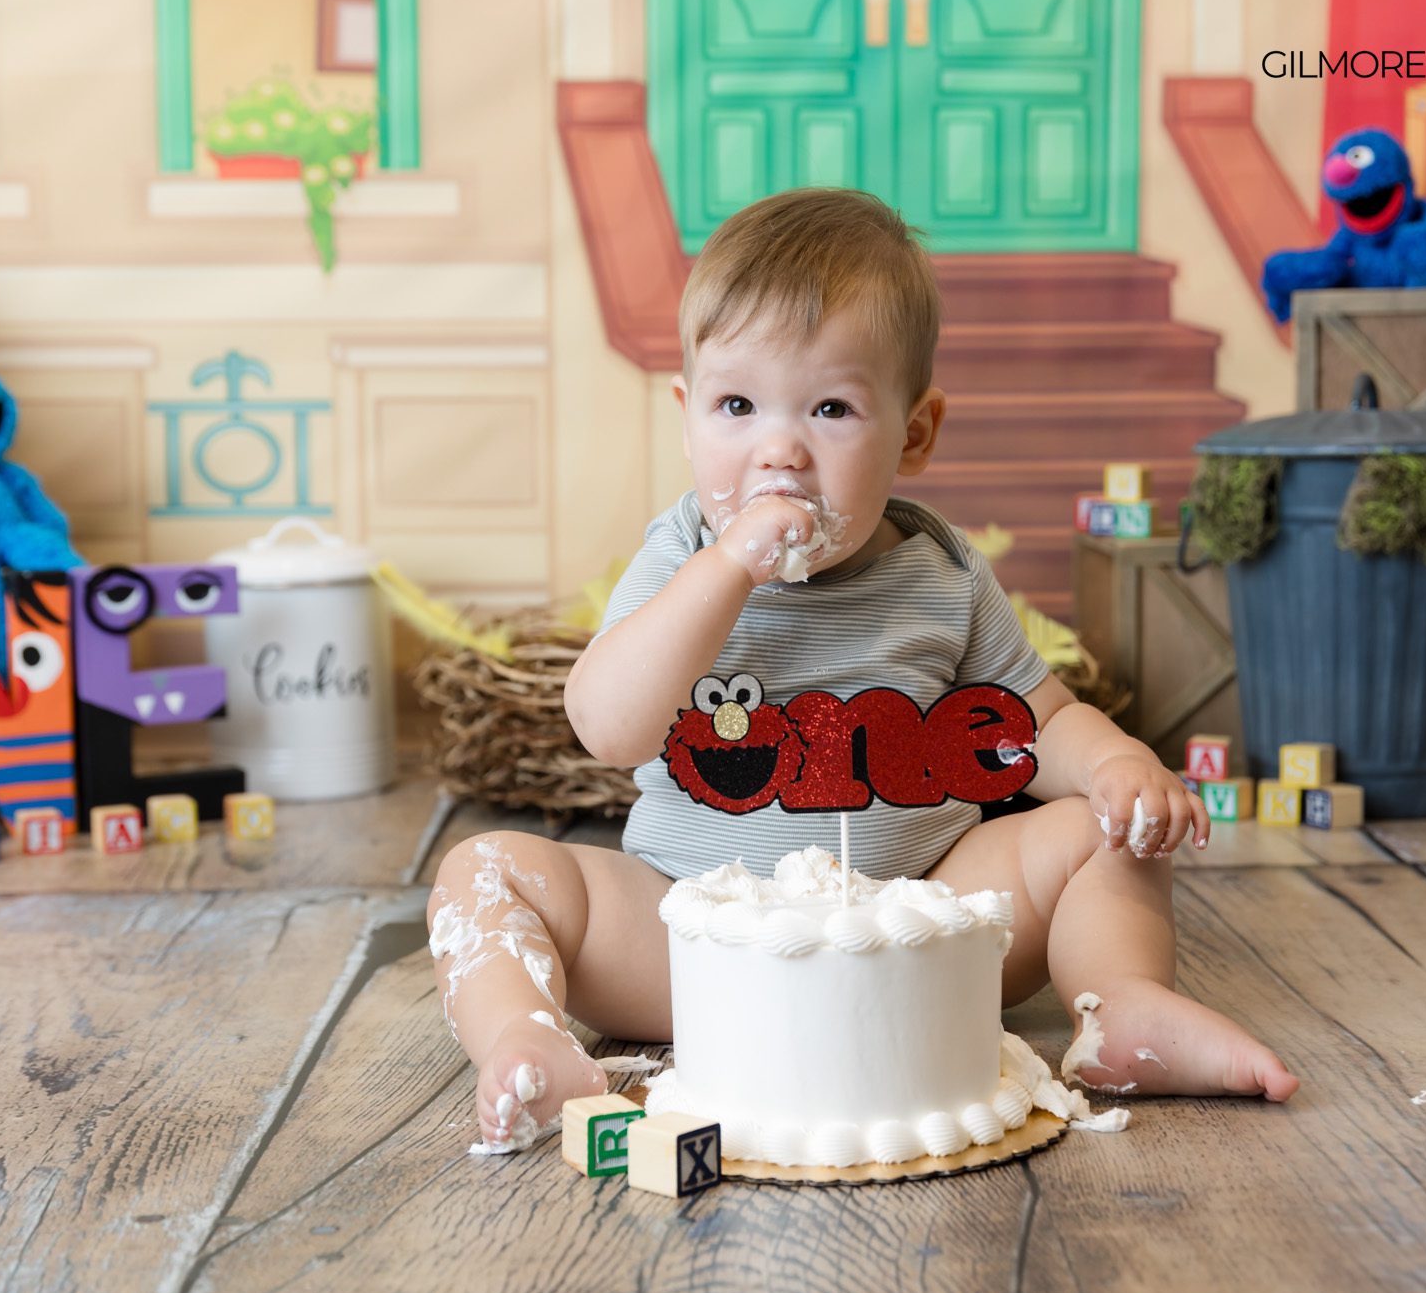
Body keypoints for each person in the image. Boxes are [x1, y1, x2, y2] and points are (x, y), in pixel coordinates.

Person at [428, 188, 1298, 1153]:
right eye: (737, 405)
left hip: (919, 932)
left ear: (914, 433)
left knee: (1101, 834)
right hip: (697, 944)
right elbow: (606, 723)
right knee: (485, 868)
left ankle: (1126, 1006)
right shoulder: (683, 557)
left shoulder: (941, 572)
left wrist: (1116, 764)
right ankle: (527, 1039)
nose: (779, 451)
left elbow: (1034, 723)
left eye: (831, 408)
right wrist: (730, 567)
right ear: (687, 421)